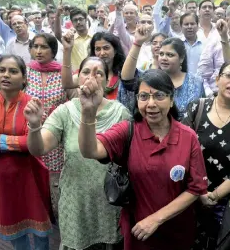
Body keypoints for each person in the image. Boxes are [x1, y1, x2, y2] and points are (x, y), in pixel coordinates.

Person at [78, 69, 208, 250]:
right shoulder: (128, 131)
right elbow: (90, 150)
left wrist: (156, 218)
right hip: (138, 234)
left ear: (171, 100)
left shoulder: (188, 137)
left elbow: (196, 189)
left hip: (178, 234)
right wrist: (88, 112)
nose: (151, 103)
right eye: (144, 96)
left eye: (159, 96)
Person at [24, 56, 130, 250]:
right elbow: (38, 148)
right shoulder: (65, 111)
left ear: (107, 81)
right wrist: (34, 125)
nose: (92, 77)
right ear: (78, 77)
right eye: (86, 72)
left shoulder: (120, 113)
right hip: (76, 198)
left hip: (110, 200)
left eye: (99, 73)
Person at [182, 58, 230, 250]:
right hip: (190, 197)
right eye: (229, 75)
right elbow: (182, 153)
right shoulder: (196, 107)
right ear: (217, 79)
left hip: (228, 203)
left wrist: (215, 195)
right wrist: (199, 192)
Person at [0, 55, 52, 249]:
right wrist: (7, 146)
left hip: (30, 175)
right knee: (16, 234)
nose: (6, 75)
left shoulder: (33, 105)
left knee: (40, 230)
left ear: (24, 78)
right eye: (2, 70)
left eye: (13, 71)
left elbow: (31, 144)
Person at [25, 33, 73, 221]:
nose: (38, 51)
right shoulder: (26, 71)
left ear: (53, 50)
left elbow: (74, 97)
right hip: (32, 132)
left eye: (44, 47)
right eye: (35, 46)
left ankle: (59, 214)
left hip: (57, 136)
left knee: (57, 180)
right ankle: (39, 212)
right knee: (34, 177)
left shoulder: (63, 72)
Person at [121, 31, 205, 118]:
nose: (164, 58)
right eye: (161, 54)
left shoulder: (196, 82)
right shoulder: (151, 78)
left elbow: (201, 113)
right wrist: (137, 43)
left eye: (170, 55)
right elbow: (127, 78)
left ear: (181, 58)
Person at [61, 31, 127, 101]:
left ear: (115, 50)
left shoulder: (124, 73)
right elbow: (66, 84)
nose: (102, 53)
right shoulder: (86, 73)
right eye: (98, 49)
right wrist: (67, 50)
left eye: (106, 48)